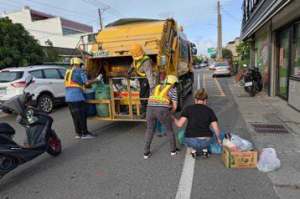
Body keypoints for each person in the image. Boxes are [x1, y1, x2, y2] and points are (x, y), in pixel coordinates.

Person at [172, 88, 222, 158]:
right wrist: (218, 139)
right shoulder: (210, 111)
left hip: (191, 141)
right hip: (206, 142)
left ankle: (193, 151)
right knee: (213, 133)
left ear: (195, 100)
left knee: (182, 134)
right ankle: (205, 151)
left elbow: (179, 124)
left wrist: (171, 117)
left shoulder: (188, 109)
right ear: (206, 101)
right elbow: (216, 129)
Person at [144, 75, 179, 159]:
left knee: (150, 130)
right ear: (173, 83)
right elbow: (174, 107)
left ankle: (146, 152)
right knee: (169, 130)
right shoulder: (173, 90)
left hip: (149, 109)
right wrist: (169, 113)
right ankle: (173, 150)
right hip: (162, 110)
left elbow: (152, 100)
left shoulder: (155, 88)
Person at [65, 57, 99, 139]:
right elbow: (87, 82)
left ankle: (78, 133)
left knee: (75, 116)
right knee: (82, 116)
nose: (81, 67)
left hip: (68, 98)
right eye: (81, 65)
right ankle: (85, 133)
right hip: (77, 97)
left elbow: (76, 82)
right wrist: (96, 80)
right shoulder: (79, 70)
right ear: (79, 64)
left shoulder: (67, 71)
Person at [127, 44, 155, 119]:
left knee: (143, 96)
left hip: (146, 79)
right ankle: (146, 111)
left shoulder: (146, 61)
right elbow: (133, 65)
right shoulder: (136, 58)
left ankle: (145, 112)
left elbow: (149, 74)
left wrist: (152, 87)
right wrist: (129, 71)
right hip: (141, 78)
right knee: (143, 96)